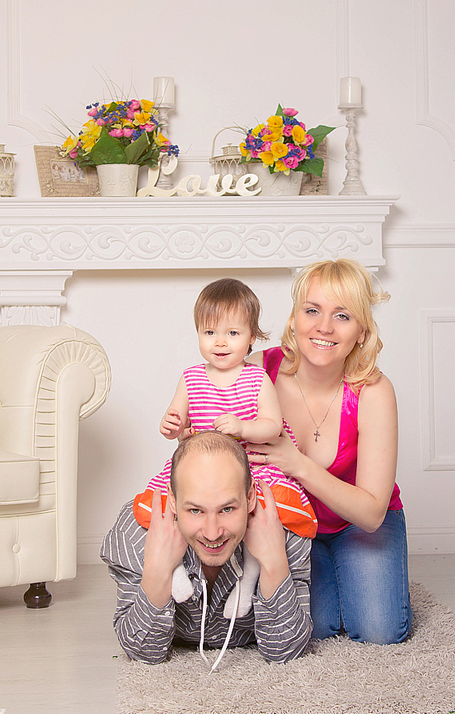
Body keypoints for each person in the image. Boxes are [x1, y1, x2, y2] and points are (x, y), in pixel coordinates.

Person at [245, 258, 412, 645]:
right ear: (294, 319)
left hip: (359, 524)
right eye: (312, 310)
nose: (324, 327)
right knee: (315, 628)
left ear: (361, 331)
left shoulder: (374, 391)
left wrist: (297, 464)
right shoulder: (258, 371)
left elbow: (371, 513)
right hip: (291, 525)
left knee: (378, 630)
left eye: (342, 315)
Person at [133, 278, 317, 616]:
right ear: (198, 334)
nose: (220, 342)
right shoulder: (191, 378)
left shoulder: (257, 378)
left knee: (262, 515)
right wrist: (171, 426)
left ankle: (249, 582)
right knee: (161, 507)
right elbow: (177, 421)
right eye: (210, 332)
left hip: (250, 466)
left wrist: (244, 427)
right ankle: (174, 571)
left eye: (232, 333)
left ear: (252, 337)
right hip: (200, 472)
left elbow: (273, 425)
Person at [101, 431, 312, 668]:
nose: (212, 534)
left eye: (227, 509)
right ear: (173, 501)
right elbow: (142, 652)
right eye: (195, 511)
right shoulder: (135, 533)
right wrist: (157, 570)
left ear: (250, 496)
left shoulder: (287, 528)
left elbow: (286, 650)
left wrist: (274, 563)